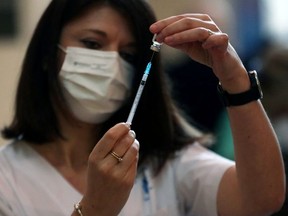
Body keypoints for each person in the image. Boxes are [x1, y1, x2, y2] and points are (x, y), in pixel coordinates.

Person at [0, 0, 285, 216]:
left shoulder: (167, 163)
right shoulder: (7, 177)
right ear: (48, 52)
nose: (112, 64)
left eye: (127, 53)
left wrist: (235, 79)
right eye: (92, 43)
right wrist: (95, 208)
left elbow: (262, 199)